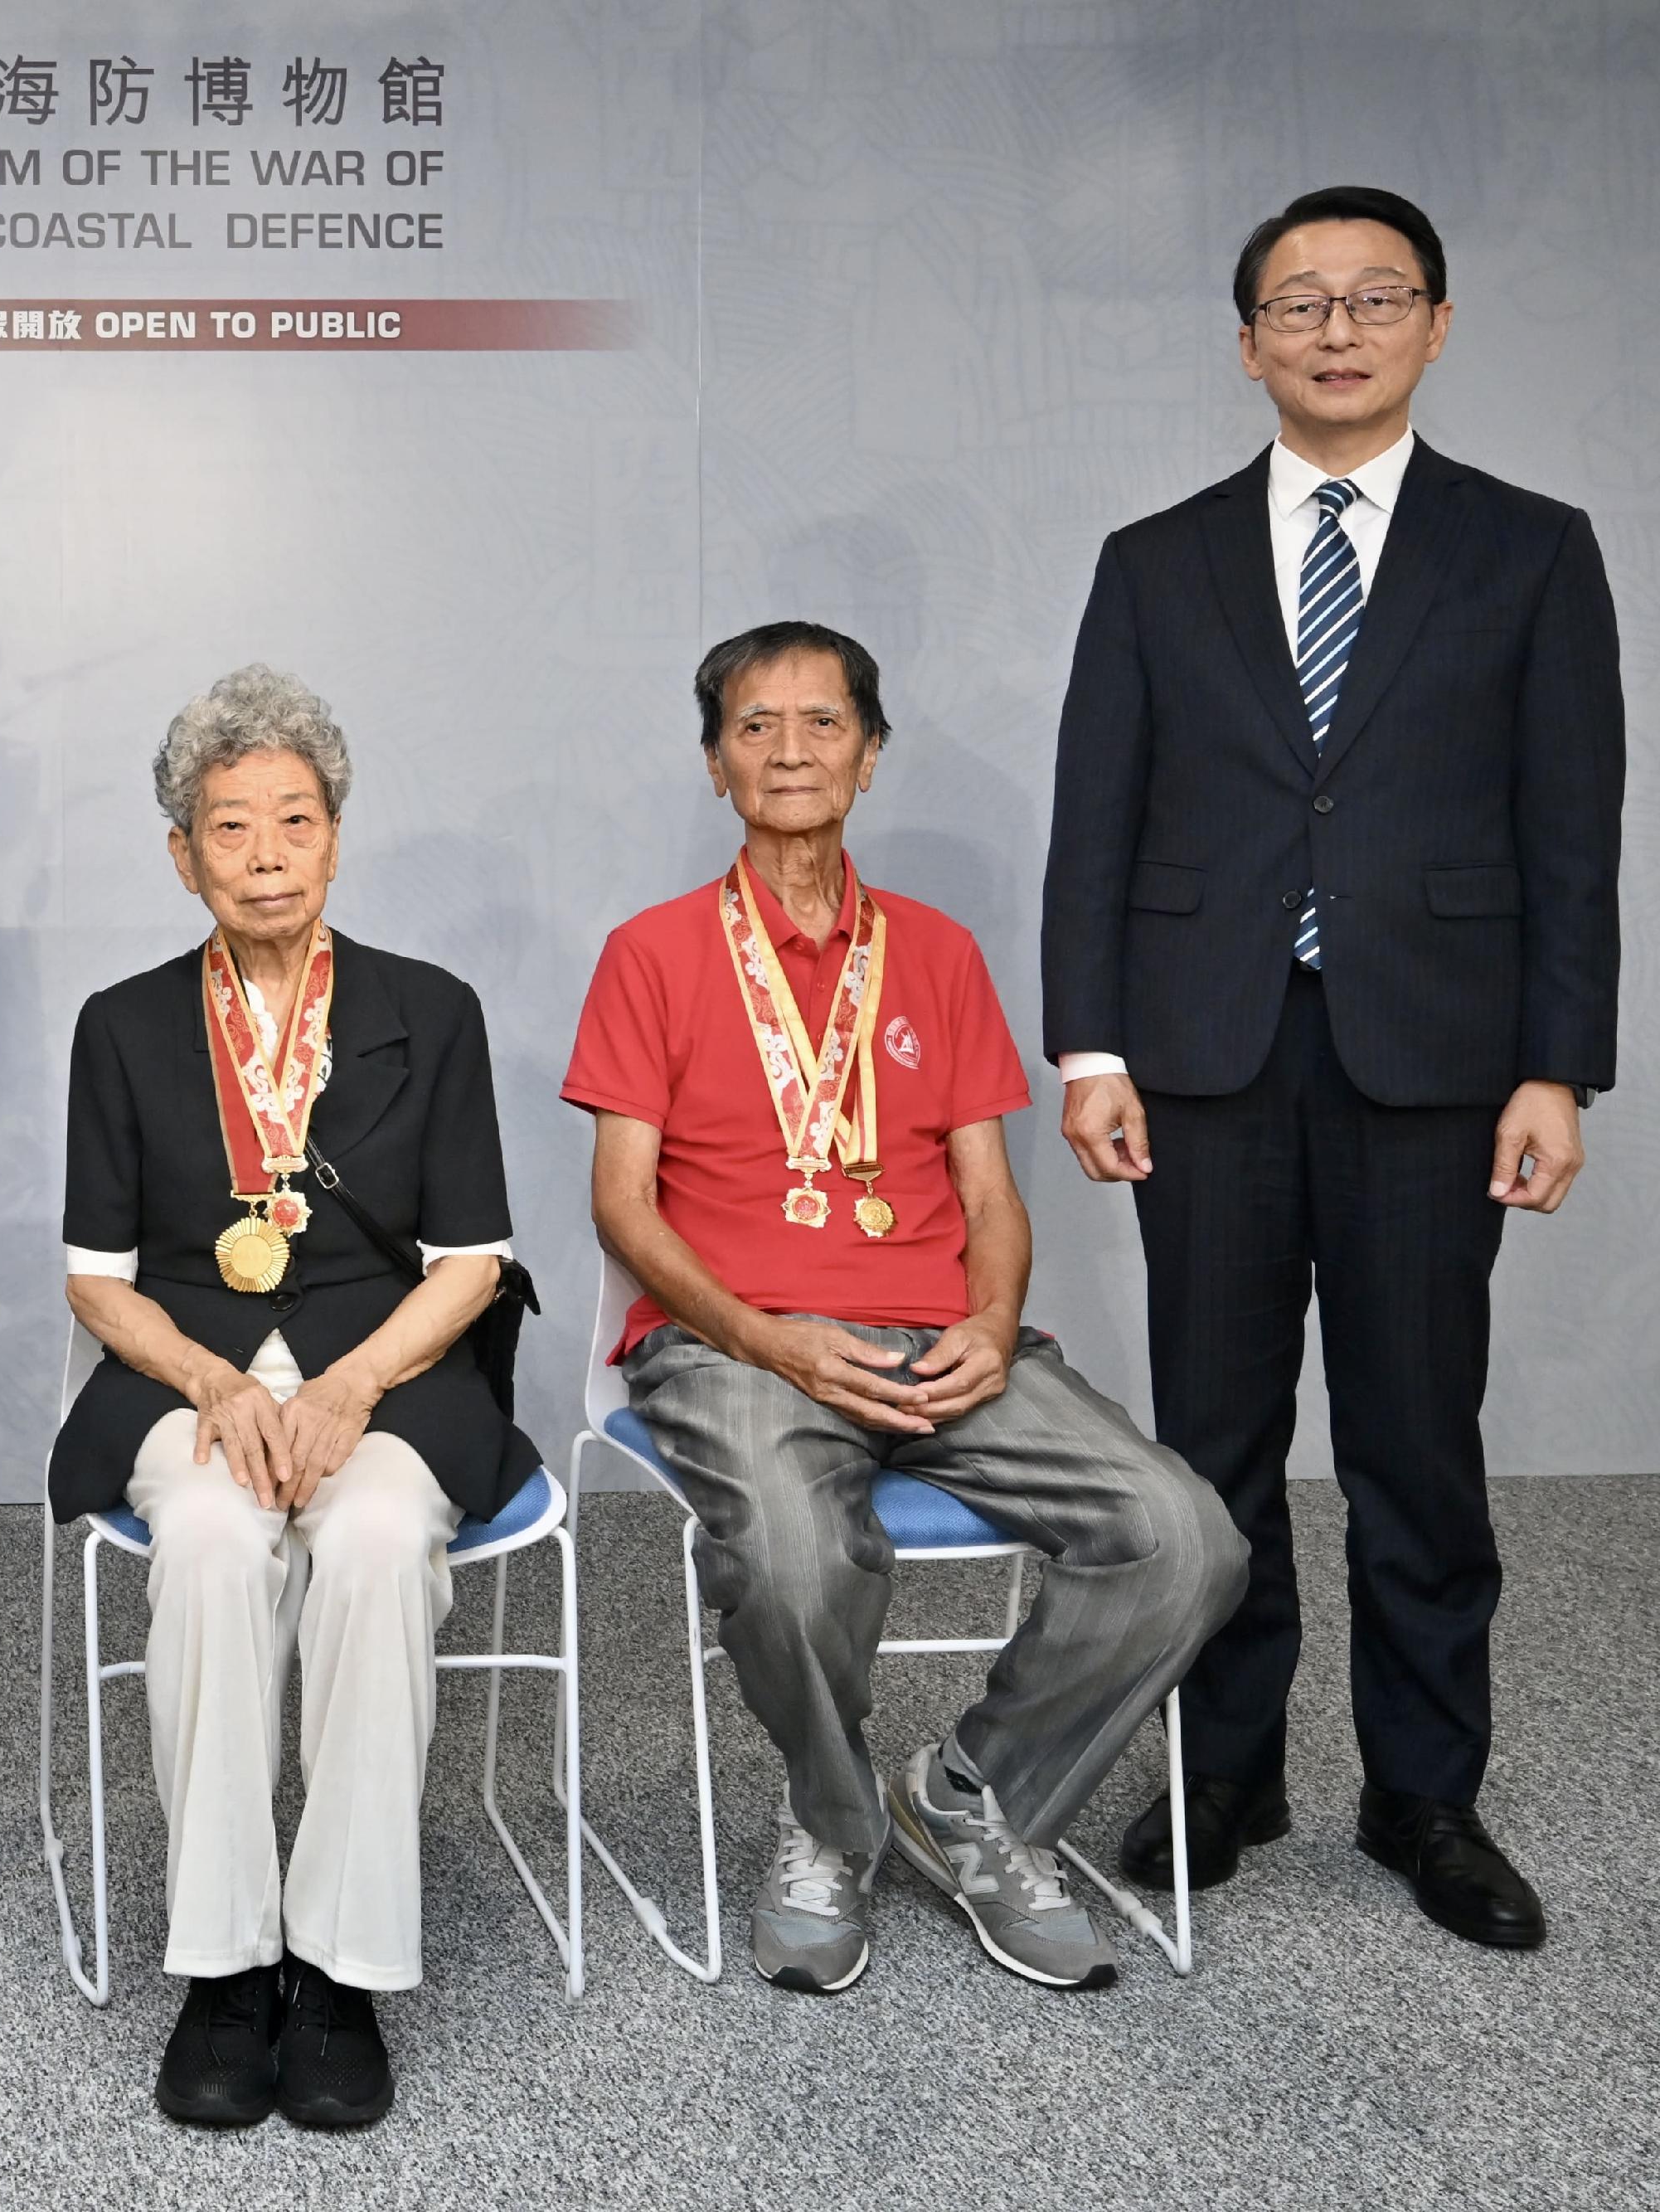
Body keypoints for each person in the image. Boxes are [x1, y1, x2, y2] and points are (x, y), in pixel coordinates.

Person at [1042, 187, 1624, 1950]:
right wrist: (1088, 1044)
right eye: (1296, 303)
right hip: (1205, 1056)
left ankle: (1421, 1792)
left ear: (1433, 324)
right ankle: (1221, 1769)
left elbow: (1566, 832)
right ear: (1246, 343)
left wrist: (1556, 1067)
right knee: (1208, 1445)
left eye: (1375, 297)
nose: (1335, 328)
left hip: (1434, 1064)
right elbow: (1095, 824)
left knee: (1410, 1441)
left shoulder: (1527, 548)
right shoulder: (1154, 559)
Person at [565, 621, 1247, 1997]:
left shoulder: (932, 952)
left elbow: (992, 1198)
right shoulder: (652, 952)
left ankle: (977, 1798)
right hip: (736, 1345)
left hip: (941, 1339)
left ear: (870, 759)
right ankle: (828, 1820)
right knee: (797, 1555)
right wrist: (766, 1337)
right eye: (756, 727)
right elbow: (623, 1209)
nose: (790, 749)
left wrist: (994, 1327)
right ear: (715, 765)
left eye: (823, 723)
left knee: (1184, 1536)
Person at [55, 666, 527, 2132]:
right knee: (209, 1547)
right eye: (229, 828)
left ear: (336, 837)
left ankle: (341, 1968)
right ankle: (224, 1964)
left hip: (387, 1366)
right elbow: (97, 1278)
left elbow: (473, 1262)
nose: (264, 855)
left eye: (295, 821)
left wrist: (350, 1386)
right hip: (191, 1375)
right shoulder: (124, 1025)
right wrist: (208, 1379)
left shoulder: (428, 1011)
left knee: (379, 1546)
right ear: (180, 854)